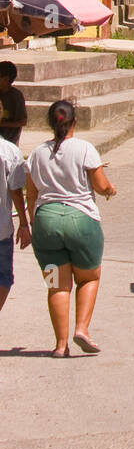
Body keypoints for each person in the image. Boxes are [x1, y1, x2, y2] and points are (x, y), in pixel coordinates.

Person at [25, 100, 117, 356]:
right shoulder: (85, 149)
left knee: (56, 285)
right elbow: (100, 185)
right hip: (81, 222)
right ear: (74, 122)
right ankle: (82, 330)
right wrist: (110, 190)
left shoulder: (36, 153)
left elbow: (31, 195)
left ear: (51, 123)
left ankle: (60, 345)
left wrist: (34, 224)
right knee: (89, 277)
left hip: (46, 222)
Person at [0, 134, 29, 315]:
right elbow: (16, 192)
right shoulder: (9, 151)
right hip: (1, 228)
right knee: (3, 277)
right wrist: (24, 224)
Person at [0, 62, 27, 145]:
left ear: (6, 79)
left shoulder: (16, 96)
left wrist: (3, 124)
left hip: (10, 141)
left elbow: (23, 121)